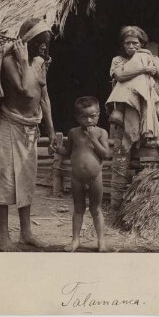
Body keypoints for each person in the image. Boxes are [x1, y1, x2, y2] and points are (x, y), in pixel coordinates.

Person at [0, 18, 55, 252]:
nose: (43, 48)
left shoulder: (40, 63)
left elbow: (44, 99)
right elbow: (26, 90)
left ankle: (26, 233)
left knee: (26, 182)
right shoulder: (9, 62)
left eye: (46, 44)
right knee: (5, 181)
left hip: (30, 129)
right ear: (27, 41)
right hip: (9, 127)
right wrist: (23, 60)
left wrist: (51, 131)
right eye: (39, 43)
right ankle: (3, 237)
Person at [105, 26, 159, 208]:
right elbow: (121, 76)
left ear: (142, 44)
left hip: (145, 111)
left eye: (135, 43)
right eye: (127, 43)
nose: (131, 46)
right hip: (122, 117)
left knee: (147, 157)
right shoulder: (118, 60)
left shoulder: (148, 57)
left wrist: (151, 62)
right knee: (121, 156)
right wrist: (142, 69)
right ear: (122, 45)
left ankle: (143, 205)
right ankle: (116, 204)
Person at [56, 97, 111, 252]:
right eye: (84, 117)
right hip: (77, 178)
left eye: (92, 116)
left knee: (96, 209)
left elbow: (106, 154)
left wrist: (94, 139)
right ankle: (75, 240)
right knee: (78, 209)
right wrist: (56, 149)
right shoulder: (73, 133)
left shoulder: (101, 133)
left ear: (99, 115)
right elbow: (67, 152)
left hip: (95, 178)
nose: (88, 120)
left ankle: (101, 241)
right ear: (77, 117)